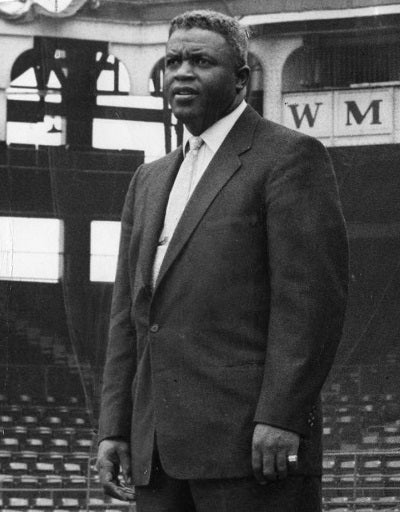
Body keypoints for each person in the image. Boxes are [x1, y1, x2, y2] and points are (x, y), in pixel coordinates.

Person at [95, 10, 348, 511]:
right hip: (157, 452)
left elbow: (311, 304)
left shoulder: (288, 157)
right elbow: (130, 316)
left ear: (240, 80)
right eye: (172, 62)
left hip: (251, 448)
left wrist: (282, 415)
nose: (181, 73)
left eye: (200, 61)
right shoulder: (148, 180)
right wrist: (114, 426)